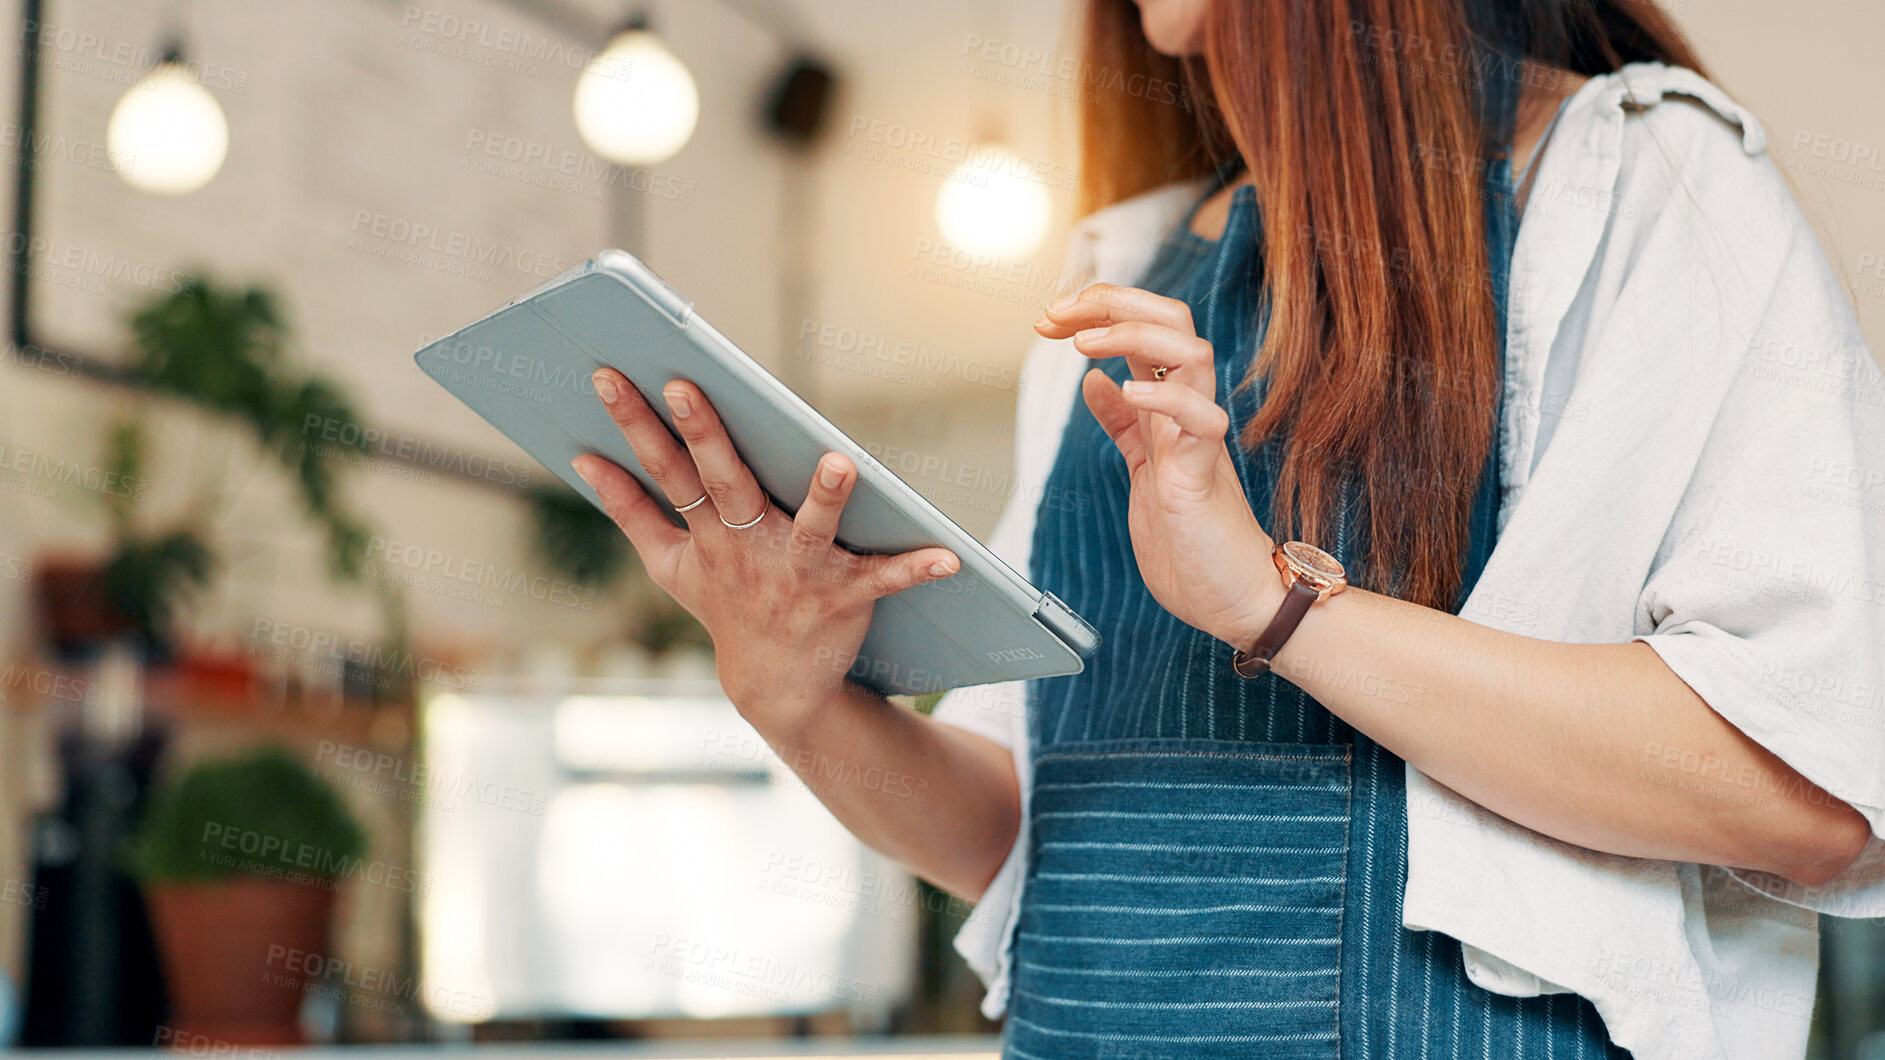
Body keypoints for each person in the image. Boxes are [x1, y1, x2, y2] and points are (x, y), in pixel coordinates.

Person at [570, 0, 1885, 1055]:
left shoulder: (1645, 180)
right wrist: (793, 698)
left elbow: (1810, 795)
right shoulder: (1124, 265)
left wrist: (1274, 602)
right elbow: (1017, 833)